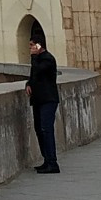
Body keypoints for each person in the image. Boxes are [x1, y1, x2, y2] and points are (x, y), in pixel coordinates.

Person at [27, 33, 61, 173]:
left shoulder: (47, 59)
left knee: (47, 129)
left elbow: (39, 71)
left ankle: (53, 162)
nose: (30, 49)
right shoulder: (38, 59)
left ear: (39, 45)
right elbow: (33, 75)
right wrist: (28, 84)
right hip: (38, 99)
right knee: (39, 129)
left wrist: (34, 56)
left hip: (48, 99)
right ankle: (46, 159)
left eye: (32, 45)